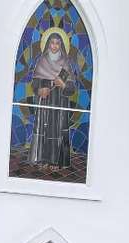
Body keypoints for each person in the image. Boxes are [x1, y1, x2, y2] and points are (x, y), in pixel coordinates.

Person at [28, 31, 77, 172]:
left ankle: (57, 161)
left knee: (58, 130)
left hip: (60, 103)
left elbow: (72, 89)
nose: (54, 46)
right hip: (45, 102)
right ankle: (42, 159)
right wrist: (38, 91)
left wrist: (63, 85)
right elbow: (35, 83)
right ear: (48, 44)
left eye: (57, 43)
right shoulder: (42, 61)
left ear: (61, 45)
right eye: (52, 43)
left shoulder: (66, 63)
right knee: (44, 128)